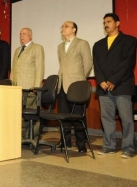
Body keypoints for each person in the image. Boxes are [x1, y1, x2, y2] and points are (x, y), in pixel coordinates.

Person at [93, 13, 136, 158]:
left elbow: (128, 63)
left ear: (117, 23)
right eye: (104, 22)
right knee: (107, 118)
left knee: (126, 118)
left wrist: (113, 80)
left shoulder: (129, 41)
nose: (106, 24)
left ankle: (129, 148)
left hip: (122, 85)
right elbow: (97, 66)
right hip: (103, 87)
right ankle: (108, 146)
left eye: (109, 21)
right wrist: (101, 81)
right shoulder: (98, 44)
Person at [57, 21, 93, 153]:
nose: (63, 28)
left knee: (78, 116)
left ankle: (81, 144)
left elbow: (88, 63)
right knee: (64, 116)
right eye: (62, 26)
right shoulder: (60, 46)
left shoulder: (82, 43)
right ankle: (65, 142)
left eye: (66, 26)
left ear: (74, 30)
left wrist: (80, 81)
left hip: (76, 85)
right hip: (62, 85)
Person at [10, 27, 44, 139]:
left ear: (30, 35)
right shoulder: (17, 50)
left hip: (30, 88)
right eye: (20, 34)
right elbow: (14, 69)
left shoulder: (37, 48)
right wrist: (12, 86)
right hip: (17, 88)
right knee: (19, 114)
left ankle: (33, 137)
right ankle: (21, 137)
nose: (21, 36)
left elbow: (39, 68)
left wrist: (36, 87)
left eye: (24, 34)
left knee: (31, 114)